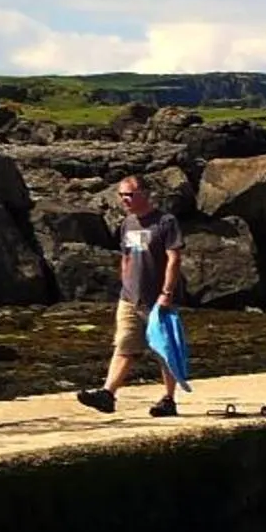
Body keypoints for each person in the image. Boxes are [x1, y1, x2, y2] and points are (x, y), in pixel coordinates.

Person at [77, 176, 185, 416]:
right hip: (129, 298)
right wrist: (126, 284)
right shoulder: (127, 223)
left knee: (164, 349)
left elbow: (174, 259)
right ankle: (108, 394)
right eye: (122, 195)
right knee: (125, 343)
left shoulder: (165, 222)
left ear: (144, 194)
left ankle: (169, 399)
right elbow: (126, 256)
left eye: (130, 195)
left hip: (158, 300)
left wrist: (167, 293)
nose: (125, 199)